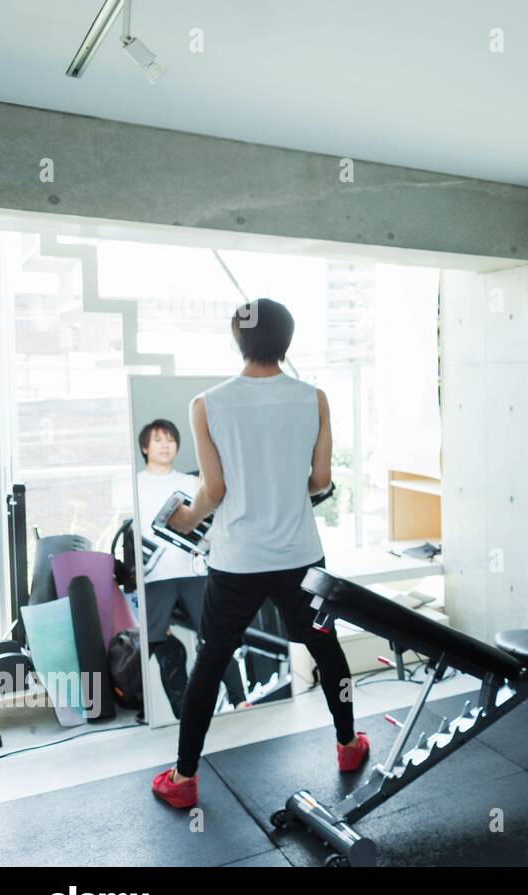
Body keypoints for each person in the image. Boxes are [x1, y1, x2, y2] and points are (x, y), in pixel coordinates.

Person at [151, 298, 369, 809]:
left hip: (237, 560)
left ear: (238, 340)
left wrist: (181, 520)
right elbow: (321, 481)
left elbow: (214, 490)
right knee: (326, 648)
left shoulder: (207, 403)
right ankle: (346, 745)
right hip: (300, 556)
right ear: (286, 341)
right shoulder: (313, 398)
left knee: (211, 659)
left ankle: (184, 779)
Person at [134, 418, 246, 719]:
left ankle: (240, 700)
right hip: (154, 576)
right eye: (157, 439)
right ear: (145, 447)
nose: (165, 444)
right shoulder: (135, 484)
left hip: (192, 571)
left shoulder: (190, 482)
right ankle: (168, 711)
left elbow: (211, 527)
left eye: (170, 439)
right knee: (153, 641)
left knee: (216, 633)